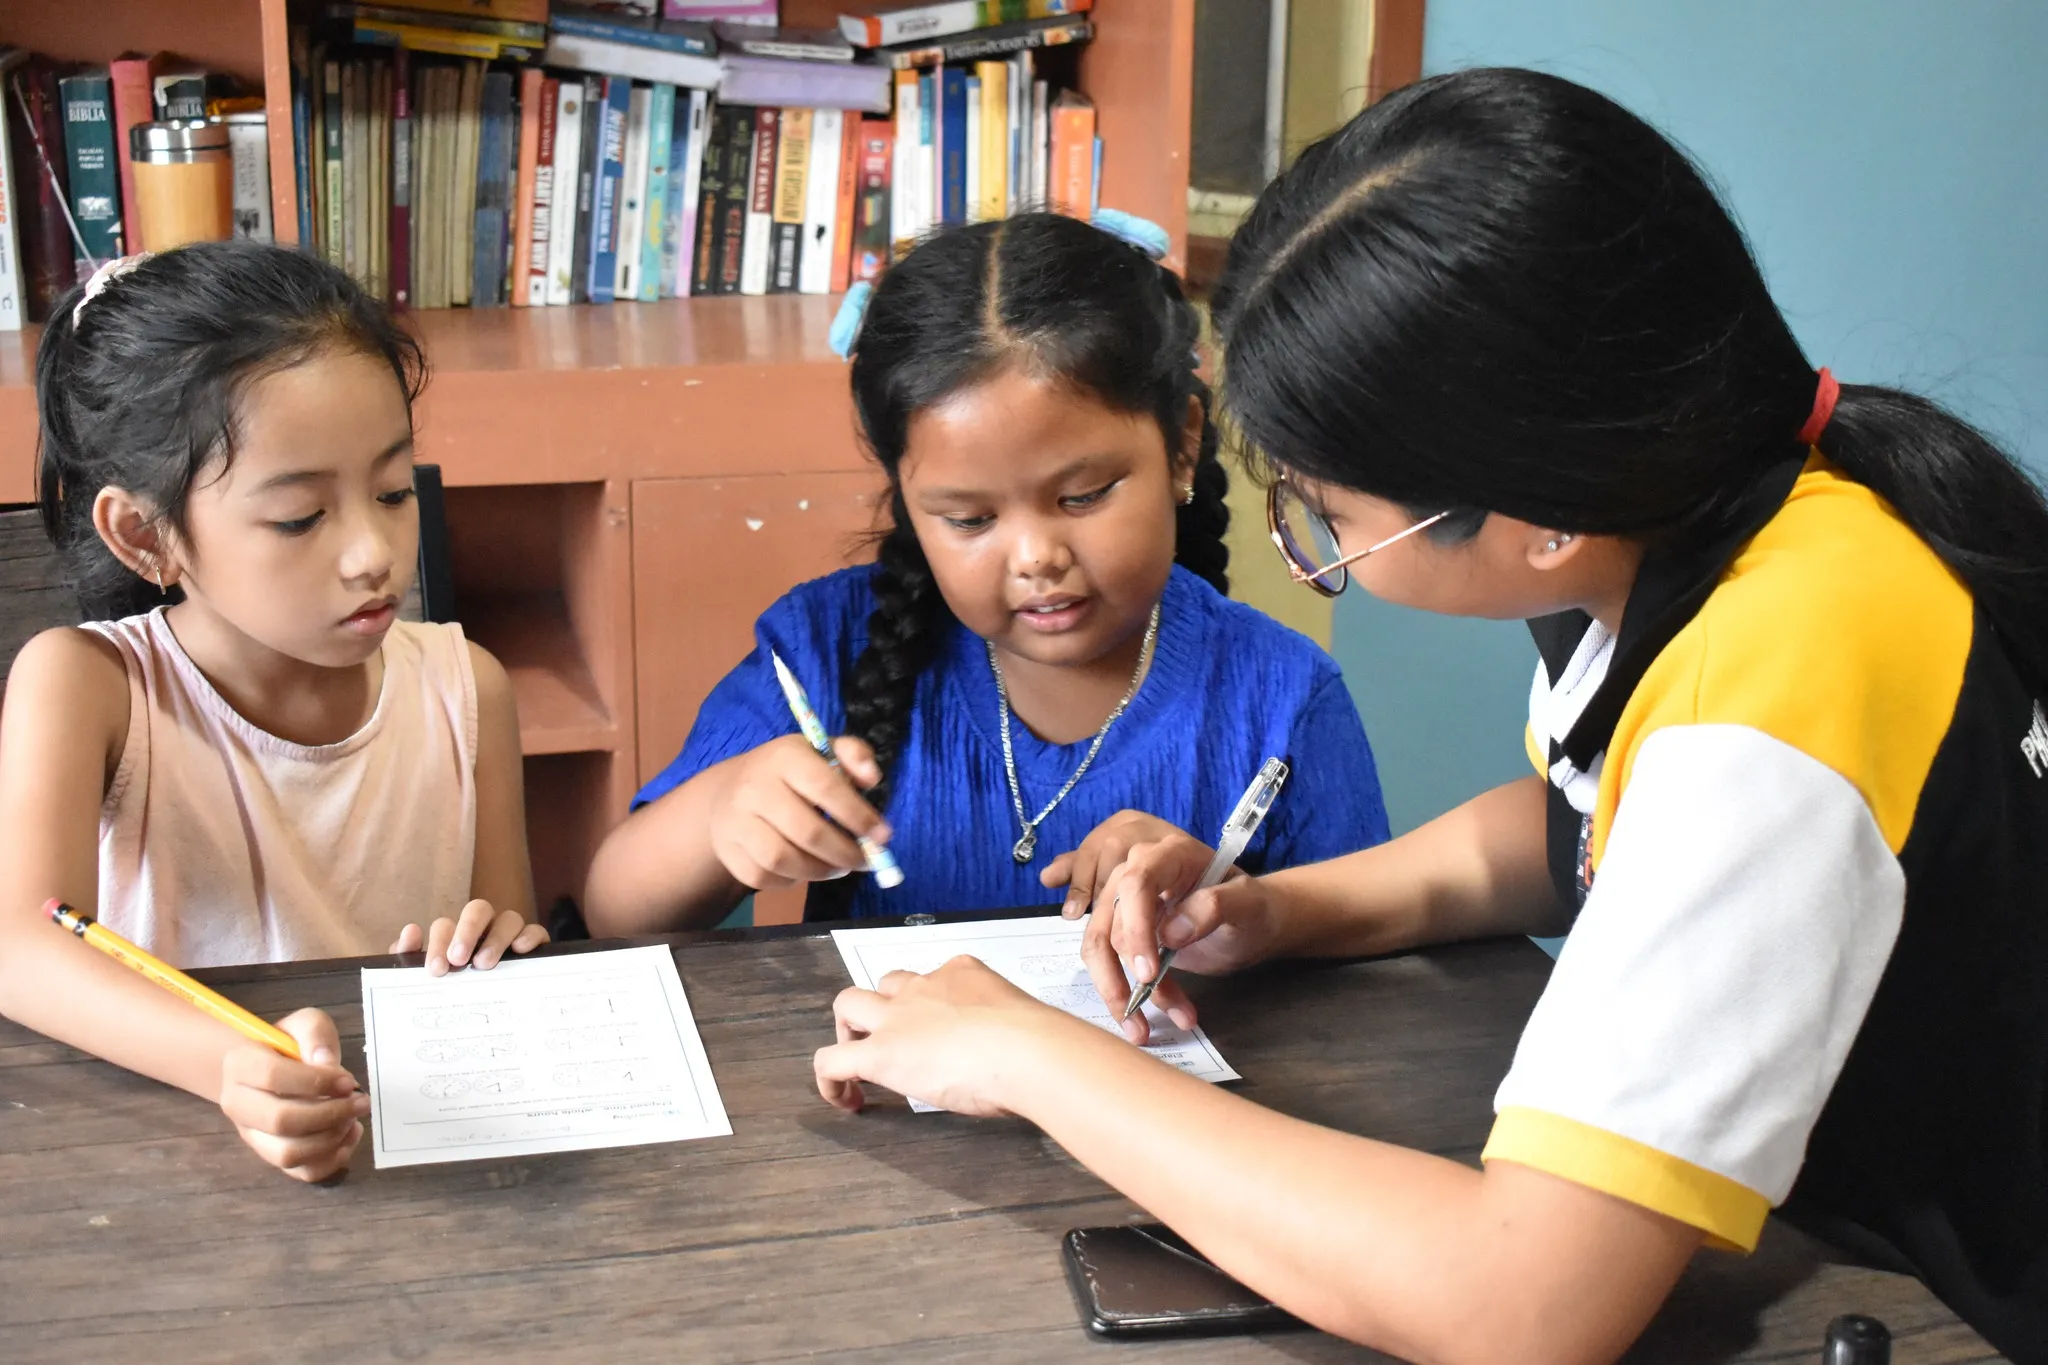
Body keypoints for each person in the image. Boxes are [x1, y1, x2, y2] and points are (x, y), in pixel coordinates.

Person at [805, 70, 2048, 1364]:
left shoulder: (1772, 702)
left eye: (1327, 518)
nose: (1316, 552)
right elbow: (1593, 828)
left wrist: (1027, 1055)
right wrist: (1277, 910)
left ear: (1541, 515)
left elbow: (1520, 1307)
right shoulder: (1767, 512)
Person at [585, 213, 1388, 950]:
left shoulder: (1284, 701)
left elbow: (1370, 972)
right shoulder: (821, 651)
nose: (1035, 555)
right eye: (968, 520)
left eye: (1083, 496)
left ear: (1181, 446)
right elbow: (614, 917)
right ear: (906, 495)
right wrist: (720, 814)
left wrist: (1224, 907)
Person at [0, 243, 549, 1183]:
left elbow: (504, 930)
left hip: (419, 1150)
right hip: (180, 1158)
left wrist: (498, 943)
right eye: (300, 518)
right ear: (146, 535)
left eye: (389, 490)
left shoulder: (469, 687)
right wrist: (232, 1067)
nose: (372, 552)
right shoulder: (89, 686)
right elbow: (19, 946)